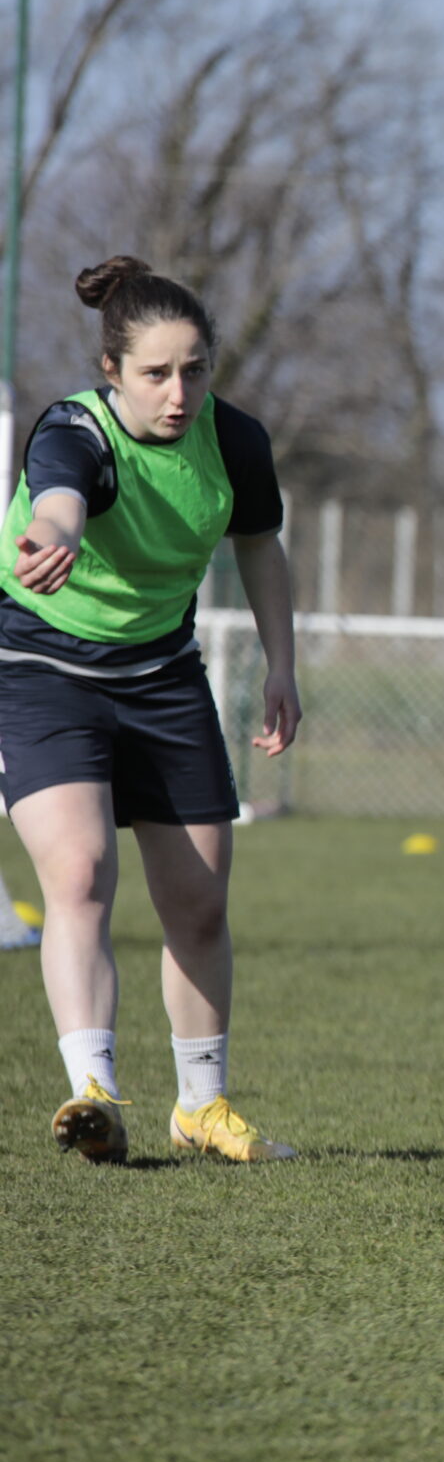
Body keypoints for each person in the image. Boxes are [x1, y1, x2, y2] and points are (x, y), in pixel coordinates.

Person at [13, 256, 301, 1166]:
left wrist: (283, 667)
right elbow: (61, 498)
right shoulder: (75, 431)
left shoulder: (235, 441)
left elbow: (260, 545)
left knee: (200, 902)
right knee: (81, 871)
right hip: (42, 670)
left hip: (162, 675)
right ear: (112, 370)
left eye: (195, 369)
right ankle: (92, 1092)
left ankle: (202, 1107)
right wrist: (54, 534)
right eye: (156, 373)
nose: (179, 394)